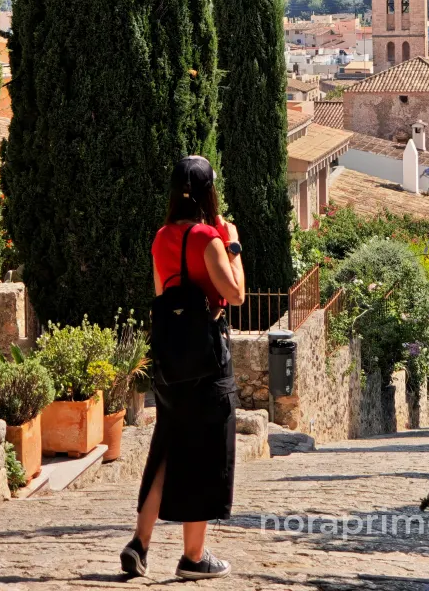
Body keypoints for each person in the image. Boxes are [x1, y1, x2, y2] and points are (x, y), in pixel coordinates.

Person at [120, 156, 246, 581]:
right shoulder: (209, 238)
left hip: (171, 362)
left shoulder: (161, 238)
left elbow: (163, 292)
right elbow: (236, 293)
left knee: (167, 452)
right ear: (209, 192)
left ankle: (139, 544)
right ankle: (193, 558)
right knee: (207, 457)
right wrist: (233, 245)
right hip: (208, 364)